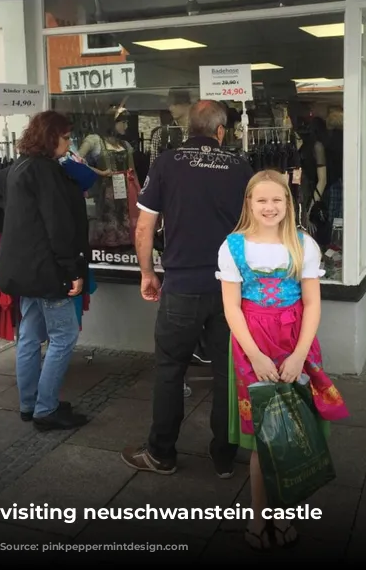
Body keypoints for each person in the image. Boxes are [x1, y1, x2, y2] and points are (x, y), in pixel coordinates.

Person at [217, 169, 349, 550]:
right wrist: (255, 355)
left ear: (288, 204)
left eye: (277, 200)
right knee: (264, 431)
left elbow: (312, 303)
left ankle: (288, 510)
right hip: (251, 342)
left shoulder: (303, 244)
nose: (270, 207)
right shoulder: (232, 246)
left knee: (296, 425)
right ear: (249, 204)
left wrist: (299, 355)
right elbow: (231, 308)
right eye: (262, 200)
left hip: (295, 339)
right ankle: (260, 515)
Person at [120, 99, 253, 478]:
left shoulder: (166, 163)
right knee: (229, 372)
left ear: (188, 129)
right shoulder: (241, 167)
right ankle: (225, 456)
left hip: (180, 285)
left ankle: (161, 454)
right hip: (230, 288)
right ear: (221, 131)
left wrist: (147, 272)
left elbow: (144, 227)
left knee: (169, 369)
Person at [0, 111, 90, 431]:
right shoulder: (46, 171)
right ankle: (46, 408)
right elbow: (58, 226)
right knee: (64, 336)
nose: (68, 142)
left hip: (22, 268)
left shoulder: (20, 166)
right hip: (46, 270)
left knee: (30, 335)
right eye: (65, 136)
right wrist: (72, 269)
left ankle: (30, 404)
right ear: (51, 137)